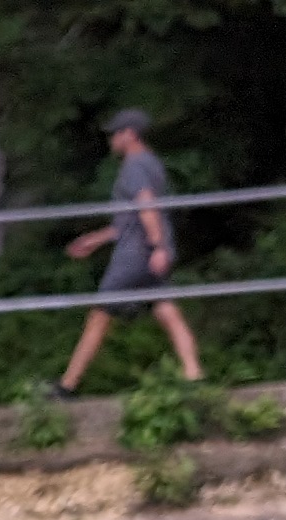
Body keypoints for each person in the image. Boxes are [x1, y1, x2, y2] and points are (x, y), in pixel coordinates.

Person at [48, 108, 203, 396]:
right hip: (150, 251)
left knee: (99, 314)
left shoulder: (134, 165)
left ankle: (67, 386)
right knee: (167, 310)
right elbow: (131, 220)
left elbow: (146, 206)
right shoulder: (152, 163)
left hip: (135, 255)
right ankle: (194, 376)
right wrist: (96, 239)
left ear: (129, 134)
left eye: (115, 134)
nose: (111, 140)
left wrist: (156, 247)